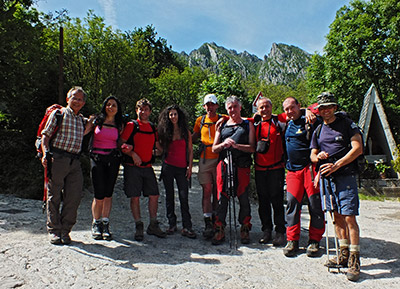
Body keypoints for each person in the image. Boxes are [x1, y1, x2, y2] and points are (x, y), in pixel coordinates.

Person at [310, 92, 363, 282]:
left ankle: (355, 261)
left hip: (345, 176)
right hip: (327, 178)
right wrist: (319, 158)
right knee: (336, 216)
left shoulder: (347, 124)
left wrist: (336, 165)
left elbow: (358, 148)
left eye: (329, 107)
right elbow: (313, 155)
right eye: (322, 108)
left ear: (334, 107)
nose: (326, 111)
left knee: (349, 217)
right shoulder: (318, 129)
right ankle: (343, 254)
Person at [40, 86, 87, 245]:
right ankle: (54, 230)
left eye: (80, 99)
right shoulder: (58, 114)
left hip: (75, 161)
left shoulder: (82, 120)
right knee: (54, 195)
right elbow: (45, 135)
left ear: (83, 103)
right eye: (74, 98)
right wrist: (45, 153)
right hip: (58, 158)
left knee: (73, 197)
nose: (77, 101)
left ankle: (65, 231)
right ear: (68, 99)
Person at [282, 96, 325, 257]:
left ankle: (314, 240)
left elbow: (323, 116)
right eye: (286, 109)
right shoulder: (286, 122)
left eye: (292, 107)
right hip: (292, 171)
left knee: (315, 204)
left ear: (299, 106)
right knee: (292, 204)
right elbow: (258, 115)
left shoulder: (311, 121)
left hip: (310, 168)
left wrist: (307, 110)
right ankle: (292, 240)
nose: (289, 111)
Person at [120, 98, 166, 241]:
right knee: (135, 197)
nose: (143, 112)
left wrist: (163, 152)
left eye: (146, 109)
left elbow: (157, 146)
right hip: (132, 167)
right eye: (141, 109)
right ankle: (138, 225)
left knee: (154, 195)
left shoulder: (153, 128)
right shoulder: (131, 125)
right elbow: (120, 144)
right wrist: (132, 154)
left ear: (150, 111)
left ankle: (153, 224)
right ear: (136, 110)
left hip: (147, 167)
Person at [211, 95, 255, 245]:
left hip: (242, 165)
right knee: (222, 197)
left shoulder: (248, 125)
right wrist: (224, 144)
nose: (232, 110)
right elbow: (214, 148)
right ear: (226, 109)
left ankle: (244, 227)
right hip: (224, 165)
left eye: (235, 106)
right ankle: (219, 228)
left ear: (240, 107)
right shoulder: (221, 126)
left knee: (243, 197)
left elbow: (252, 148)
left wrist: (237, 146)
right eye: (229, 107)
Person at [86, 96, 123, 241]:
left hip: (112, 160)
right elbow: (84, 133)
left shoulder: (120, 124)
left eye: (114, 105)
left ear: (117, 108)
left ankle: (105, 222)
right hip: (97, 159)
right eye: (108, 104)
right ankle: (96, 222)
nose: (111, 107)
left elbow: (121, 142)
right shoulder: (97, 121)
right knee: (98, 193)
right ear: (104, 106)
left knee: (108, 193)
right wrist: (89, 123)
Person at [158, 105, 196, 239]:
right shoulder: (165, 132)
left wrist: (190, 167)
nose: (173, 117)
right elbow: (160, 148)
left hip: (182, 168)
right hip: (168, 167)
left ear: (179, 115)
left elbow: (190, 150)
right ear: (167, 117)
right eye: (171, 115)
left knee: (184, 197)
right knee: (169, 197)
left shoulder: (186, 132)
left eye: (175, 114)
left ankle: (187, 226)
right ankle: (171, 224)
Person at [254, 97, 286, 246]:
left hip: (276, 169)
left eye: (267, 107)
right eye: (261, 107)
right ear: (257, 109)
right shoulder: (254, 122)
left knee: (277, 201)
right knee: (263, 202)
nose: (264, 110)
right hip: (260, 169)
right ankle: (266, 230)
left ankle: (280, 231)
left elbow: (296, 111)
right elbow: (235, 117)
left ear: (272, 107)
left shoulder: (278, 120)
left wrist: (310, 112)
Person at [192, 94, 221, 239]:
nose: (210, 107)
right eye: (207, 105)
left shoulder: (223, 119)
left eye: (212, 104)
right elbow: (194, 137)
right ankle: (208, 222)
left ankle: (216, 221)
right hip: (204, 159)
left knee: (217, 191)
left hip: (219, 159)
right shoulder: (200, 120)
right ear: (204, 106)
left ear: (216, 105)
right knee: (207, 190)